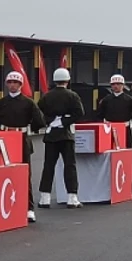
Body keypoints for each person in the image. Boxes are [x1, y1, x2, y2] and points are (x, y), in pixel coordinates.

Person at [0, 71, 45, 222]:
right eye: (10, 82)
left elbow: (39, 121)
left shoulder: (29, 102)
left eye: (15, 82)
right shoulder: (0, 103)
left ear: (20, 85)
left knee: (25, 174)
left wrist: (29, 128)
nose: (12, 85)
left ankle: (28, 208)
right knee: (4, 173)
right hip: (4, 139)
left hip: (22, 139)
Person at [37, 67, 85, 209]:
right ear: (68, 80)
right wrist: (64, 121)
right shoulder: (73, 95)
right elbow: (80, 113)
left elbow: (38, 113)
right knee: (69, 166)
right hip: (66, 135)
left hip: (51, 135)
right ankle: (72, 197)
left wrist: (51, 121)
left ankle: (44, 198)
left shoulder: (46, 96)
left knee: (48, 166)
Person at [95, 73, 132, 197]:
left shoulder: (130, 100)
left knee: (127, 156)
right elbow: (98, 115)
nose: (116, 86)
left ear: (123, 86)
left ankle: (131, 185)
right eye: (113, 84)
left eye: (118, 84)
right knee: (108, 157)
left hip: (125, 130)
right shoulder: (106, 100)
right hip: (109, 131)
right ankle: (110, 185)